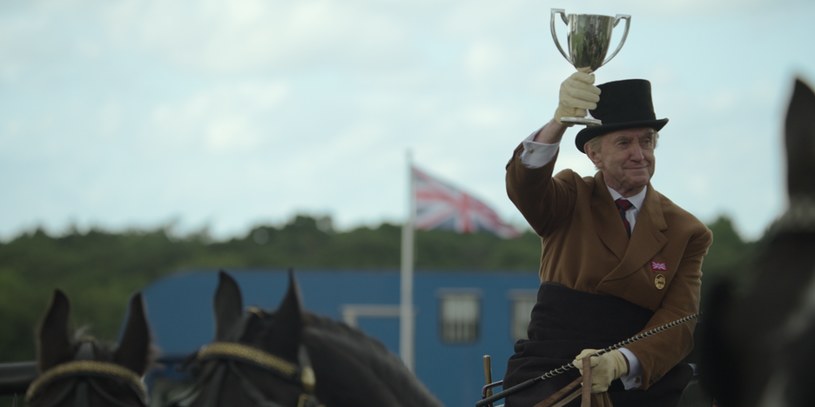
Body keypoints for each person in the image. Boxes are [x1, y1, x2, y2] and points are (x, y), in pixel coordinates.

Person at [502, 71, 713, 407]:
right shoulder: (570, 196)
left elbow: (679, 321)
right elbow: (525, 185)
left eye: (646, 141)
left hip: (641, 379)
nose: (639, 154)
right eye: (624, 143)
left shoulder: (686, 231)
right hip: (554, 366)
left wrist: (621, 362)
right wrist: (559, 121)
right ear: (594, 154)